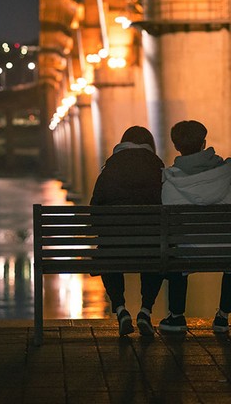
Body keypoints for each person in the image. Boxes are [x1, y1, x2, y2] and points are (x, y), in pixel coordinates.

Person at [158, 120, 231, 334]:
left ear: (176, 146)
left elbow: (166, 219)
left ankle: (177, 316)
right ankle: (223, 317)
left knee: (174, 253)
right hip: (228, 249)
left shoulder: (169, 179)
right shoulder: (229, 173)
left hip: (188, 251)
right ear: (204, 143)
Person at [90, 125, 165, 336]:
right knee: (157, 250)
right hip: (151, 245)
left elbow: (95, 209)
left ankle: (121, 310)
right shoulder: (157, 166)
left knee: (106, 250)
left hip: (114, 246)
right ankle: (145, 311)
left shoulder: (110, 167)